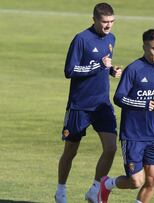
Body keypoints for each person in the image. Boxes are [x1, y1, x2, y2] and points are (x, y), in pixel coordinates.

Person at [98, 29, 154, 203]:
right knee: (136, 182)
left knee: (152, 180)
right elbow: (118, 98)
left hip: (153, 135)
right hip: (132, 135)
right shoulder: (133, 70)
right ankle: (107, 185)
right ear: (144, 47)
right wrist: (143, 104)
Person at [54, 3, 122, 203]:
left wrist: (111, 71)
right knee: (70, 152)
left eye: (112, 22)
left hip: (102, 105)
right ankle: (61, 190)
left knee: (111, 148)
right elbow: (70, 71)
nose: (108, 26)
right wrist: (98, 66)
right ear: (94, 20)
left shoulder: (111, 38)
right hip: (79, 106)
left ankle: (94, 190)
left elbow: (104, 64)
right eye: (105, 22)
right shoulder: (81, 39)